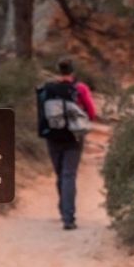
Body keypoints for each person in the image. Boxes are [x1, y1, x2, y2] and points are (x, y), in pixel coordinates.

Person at [45, 57, 96, 230]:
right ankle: (68, 217)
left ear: (58, 70)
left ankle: (63, 210)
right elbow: (91, 112)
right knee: (69, 174)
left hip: (52, 135)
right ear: (73, 70)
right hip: (74, 136)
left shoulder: (48, 88)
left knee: (60, 174)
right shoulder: (80, 88)